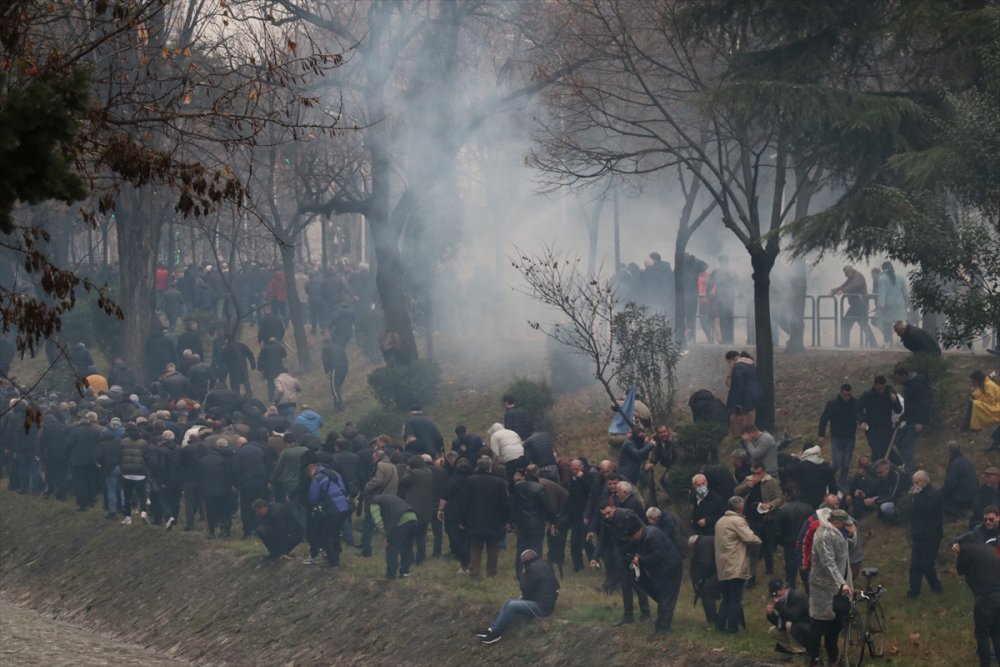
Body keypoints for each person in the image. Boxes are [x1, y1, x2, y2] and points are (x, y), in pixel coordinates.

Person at [476, 549, 559, 645]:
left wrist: (522, 575)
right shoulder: (543, 564)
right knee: (509, 602)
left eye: (522, 561)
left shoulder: (532, 568)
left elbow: (524, 586)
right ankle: (492, 629)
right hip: (546, 602)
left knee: (512, 606)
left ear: (526, 559)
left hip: (541, 607)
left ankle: (495, 634)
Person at [807, 508, 854, 667]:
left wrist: (851, 535)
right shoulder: (824, 535)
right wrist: (841, 584)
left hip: (837, 586)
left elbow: (844, 550)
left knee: (834, 624)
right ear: (837, 522)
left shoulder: (836, 532)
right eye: (845, 524)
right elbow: (828, 562)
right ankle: (814, 659)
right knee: (819, 623)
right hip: (823, 586)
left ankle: (833, 657)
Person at [714, 495, 762, 634]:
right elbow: (750, 538)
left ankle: (720, 626)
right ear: (740, 507)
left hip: (723, 565)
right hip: (736, 563)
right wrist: (759, 540)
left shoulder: (720, 521)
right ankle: (732, 628)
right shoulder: (738, 521)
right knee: (736, 599)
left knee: (727, 598)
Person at [628, 519, 683, 635]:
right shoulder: (644, 536)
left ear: (639, 531)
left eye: (633, 536)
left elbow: (658, 555)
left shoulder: (652, 536)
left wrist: (641, 560)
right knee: (663, 599)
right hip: (661, 571)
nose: (633, 539)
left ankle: (663, 631)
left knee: (667, 599)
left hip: (671, 569)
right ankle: (660, 627)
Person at [952, 534, 1000, 667]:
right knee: (996, 632)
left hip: (985, 597)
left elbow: (960, 570)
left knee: (982, 634)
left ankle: (985, 664)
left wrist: (958, 553)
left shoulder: (967, 551)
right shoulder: (986, 548)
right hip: (998, 594)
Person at [459, 456, 510, 579]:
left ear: (477, 467)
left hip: (474, 518)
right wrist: (506, 520)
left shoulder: (470, 481)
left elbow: (464, 502)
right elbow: (504, 503)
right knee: (492, 547)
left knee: (475, 547)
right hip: (494, 519)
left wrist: (462, 520)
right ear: (490, 468)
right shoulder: (498, 482)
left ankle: (474, 572)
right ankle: (491, 572)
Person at [735, 462, 784, 584]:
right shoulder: (748, 481)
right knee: (754, 547)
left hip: (768, 517)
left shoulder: (771, 482)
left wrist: (771, 505)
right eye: (753, 473)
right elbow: (736, 492)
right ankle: (752, 576)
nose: (755, 476)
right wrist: (748, 486)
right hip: (752, 518)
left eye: (758, 473)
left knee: (768, 544)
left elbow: (780, 498)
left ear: (764, 472)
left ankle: (769, 570)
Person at [304, 463, 350, 567]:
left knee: (325, 535)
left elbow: (313, 497)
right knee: (336, 532)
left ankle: (332, 560)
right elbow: (343, 488)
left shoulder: (317, 478)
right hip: (343, 506)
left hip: (331, 509)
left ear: (311, 471)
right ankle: (337, 554)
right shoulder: (335, 474)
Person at [907, 470, 944, 597]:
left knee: (927, 563)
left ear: (924, 482)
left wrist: (916, 497)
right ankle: (914, 591)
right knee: (915, 565)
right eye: (913, 482)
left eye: (916, 482)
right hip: (918, 534)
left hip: (931, 535)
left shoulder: (933, 495)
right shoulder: (918, 495)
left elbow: (927, 511)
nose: (914, 485)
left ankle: (936, 586)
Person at [369, 492, 418, 579]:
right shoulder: (388, 497)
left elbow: (378, 521)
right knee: (406, 547)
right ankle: (404, 572)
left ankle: (390, 575)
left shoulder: (374, 503)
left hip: (401, 521)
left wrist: (386, 535)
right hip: (413, 518)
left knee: (392, 548)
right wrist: (387, 537)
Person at [818, 383, 858, 484]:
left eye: (849, 395)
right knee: (837, 463)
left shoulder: (855, 403)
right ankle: (828, 476)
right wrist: (821, 434)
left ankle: (842, 482)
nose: (847, 397)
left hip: (850, 438)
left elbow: (860, 415)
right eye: (845, 395)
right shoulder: (832, 404)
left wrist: (862, 422)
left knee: (846, 464)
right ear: (840, 393)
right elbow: (824, 419)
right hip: (836, 438)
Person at [893, 367, 931, 472]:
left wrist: (920, 422)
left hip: (917, 420)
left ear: (904, 376)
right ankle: (907, 463)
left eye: (898, 379)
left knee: (906, 443)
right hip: (909, 419)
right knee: (899, 440)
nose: (898, 382)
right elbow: (909, 407)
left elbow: (924, 404)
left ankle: (911, 469)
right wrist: (901, 419)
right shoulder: (908, 387)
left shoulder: (917, 386)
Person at [856, 375, 902, 461]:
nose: (881, 390)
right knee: (877, 451)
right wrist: (862, 421)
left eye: (883, 388)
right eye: (879, 388)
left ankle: (897, 467)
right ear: (875, 385)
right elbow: (858, 409)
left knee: (887, 450)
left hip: (886, 427)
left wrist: (895, 401)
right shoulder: (867, 395)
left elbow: (898, 410)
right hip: (872, 428)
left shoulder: (890, 394)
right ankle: (876, 470)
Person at [831, 266, 874, 348]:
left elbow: (852, 286)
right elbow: (844, 285)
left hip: (859, 305)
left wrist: (842, 291)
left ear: (850, 271)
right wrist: (834, 291)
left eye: (846, 273)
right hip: (857, 305)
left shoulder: (858, 277)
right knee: (863, 325)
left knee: (846, 323)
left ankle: (845, 343)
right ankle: (873, 344)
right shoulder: (851, 277)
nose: (845, 276)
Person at [766, 579, 810, 656]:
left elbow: (793, 617)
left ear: (784, 588)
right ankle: (792, 651)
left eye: (776, 594)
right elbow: (781, 624)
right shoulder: (783, 600)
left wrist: (779, 606)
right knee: (773, 631)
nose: (775, 597)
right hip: (796, 628)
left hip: (808, 628)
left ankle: (800, 651)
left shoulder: (797, 597)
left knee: (789, 624)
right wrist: (771, 615)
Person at [725, 351, 761, 437]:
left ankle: (743, 436)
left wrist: (733, 404)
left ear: (731, 359)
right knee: (748, 418)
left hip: (744, 398)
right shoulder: (750, 364)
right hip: (754, 395)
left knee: (742, 420)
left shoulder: (738, 367)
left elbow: (736, 386)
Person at [941, 441, 978, 519]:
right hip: (973, 495)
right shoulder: (967, 461)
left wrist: (940, 495)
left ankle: (962, 514)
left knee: (939, 502)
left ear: (949, 451)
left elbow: (950, 484)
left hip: (963, 496)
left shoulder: (955, 464)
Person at [876, 262, 908, 346]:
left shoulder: (882, 278)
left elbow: (882, 292)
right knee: (901, 325)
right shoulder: (900, 277)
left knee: (886, 325)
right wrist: (907, 303)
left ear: (883, 269)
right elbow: (905, 292)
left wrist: (881, 305)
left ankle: (887, 342)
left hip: (888, 305)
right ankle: (903, 342)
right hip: (899, 305)